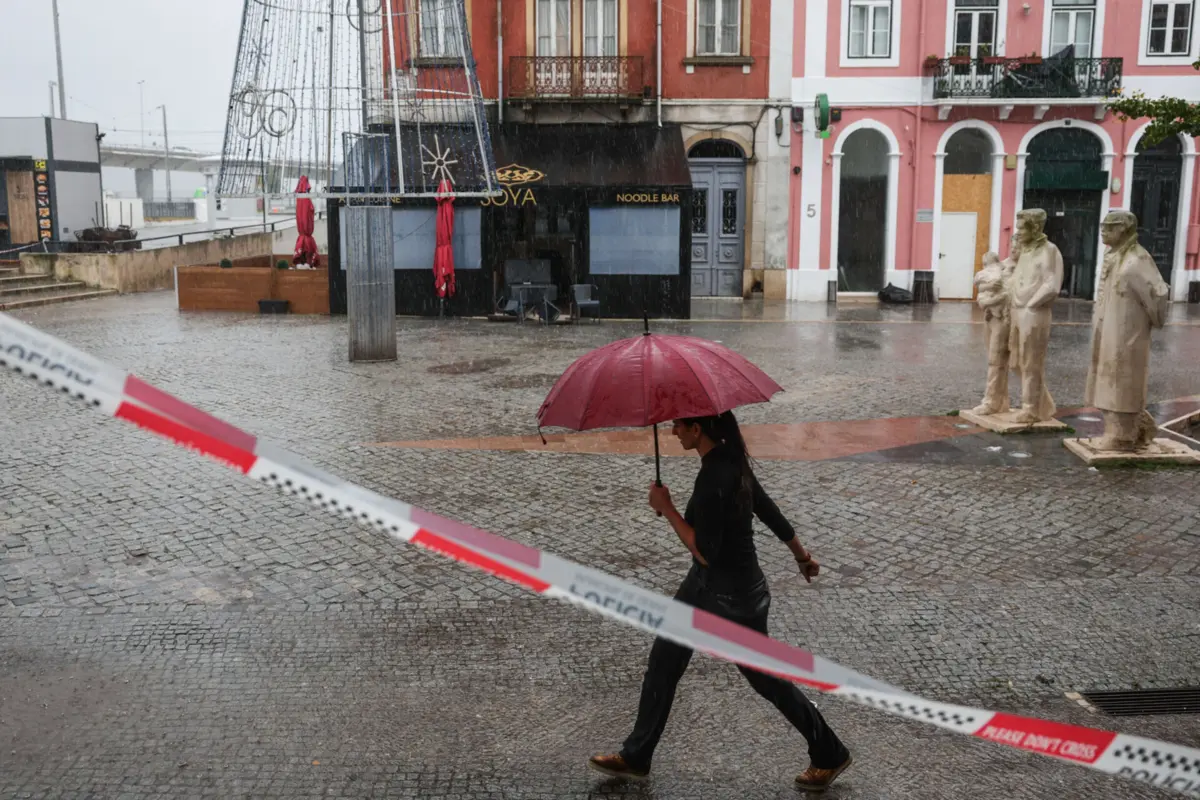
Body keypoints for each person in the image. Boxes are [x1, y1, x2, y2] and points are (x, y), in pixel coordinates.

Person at [589, 411, 851, 792]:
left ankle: (829, 752)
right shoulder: (731, 460)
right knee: (664, 659)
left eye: (679, 425)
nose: (672, 431)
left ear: (698, 429)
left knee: (767, 681)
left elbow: (704, 551)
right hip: (708, 588)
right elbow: (768, 510)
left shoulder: (715, 476)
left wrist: (667, 509)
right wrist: (801, 556)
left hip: (732, 600)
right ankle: (637, 755)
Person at [1084, 210, 1171, 451]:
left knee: (1122, 377)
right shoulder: (1113, 255)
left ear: (1123, 229)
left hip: (1127, 329)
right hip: (1108, 325)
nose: (1103, 231)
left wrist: (1153, 316)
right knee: (1107, 375)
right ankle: (1130, 427)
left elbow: (1157, 292)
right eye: (1102, 226)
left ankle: (1123, 435)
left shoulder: (1136, 259)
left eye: (1109, 227)